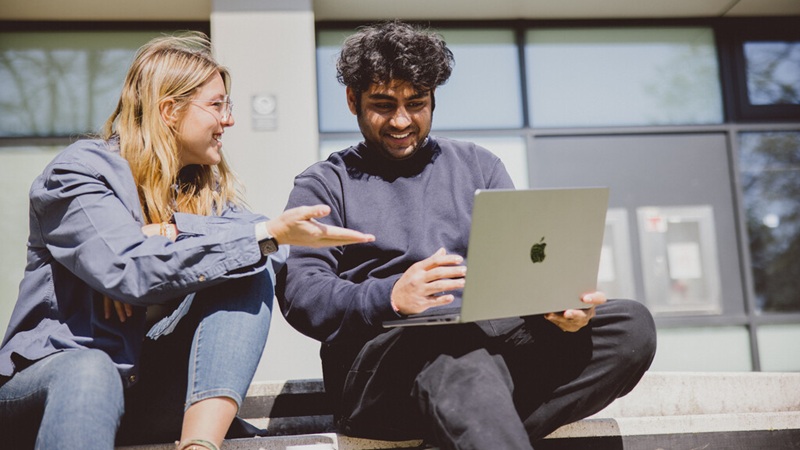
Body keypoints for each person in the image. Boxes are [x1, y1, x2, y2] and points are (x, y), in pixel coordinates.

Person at [276, 20, 657, 450]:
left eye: (416, 104)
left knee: (630, 327)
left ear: (433, 99)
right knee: (454, 350)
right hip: (382, 372)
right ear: (352, 100)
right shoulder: (325, 183)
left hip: (489, 347)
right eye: (383, 105)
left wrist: (556, 306)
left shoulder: (479, 165)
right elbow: (302, 292)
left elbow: (520, 270)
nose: (401, 120)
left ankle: (467, 430)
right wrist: (391, 296)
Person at [0, 32, 373, 450]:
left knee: (249, 262)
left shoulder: (203, 192)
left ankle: (199, 444)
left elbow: (267, 241)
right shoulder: (79, 174)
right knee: (90, 369)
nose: (228, 120)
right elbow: (130, 269)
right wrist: (152, 250)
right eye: (217, 105)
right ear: (169, 111)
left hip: (143, 395)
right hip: (53, 392)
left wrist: (168, 232)